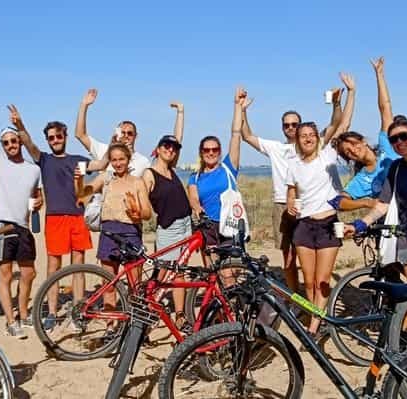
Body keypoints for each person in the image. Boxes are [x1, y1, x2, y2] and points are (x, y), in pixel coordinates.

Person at [7, 105, 108, 332]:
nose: (55, 140)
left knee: (78, 266)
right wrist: (20, 126)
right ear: (48, 140)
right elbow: (29, 144)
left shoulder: (77, 160)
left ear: (64, 137)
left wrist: (114, 141)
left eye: (58, 136)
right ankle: (52, 312)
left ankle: (78, 311)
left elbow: (102, 165)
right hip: (55, 219)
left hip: (77, 218)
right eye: (51, 138)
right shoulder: (44, 160)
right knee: (53, 267)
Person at [240, 81, 345, 292]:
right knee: (288, 258)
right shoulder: (276, 148)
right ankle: (293, 296)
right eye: (286, 125)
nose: (290, 128)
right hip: (282, 205)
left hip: (311, 207)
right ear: (282, 128)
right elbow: (247, 136)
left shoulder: (312, 144)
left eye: (294, 124)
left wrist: (337, 104)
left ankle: (312, 299)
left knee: (312, 258)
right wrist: (242, 110)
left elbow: (336, 125)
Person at [285, 73, 356, 337]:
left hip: (328, 224)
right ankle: (317, 316)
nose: (307, 138)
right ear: (297, 140)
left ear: (317, 137)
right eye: (302, 135)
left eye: (311, 134)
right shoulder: (293, 165)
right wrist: (290, 204)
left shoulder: (327, 156)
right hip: (304, 226)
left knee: (323, 281)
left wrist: (350, 94)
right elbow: (291, 193)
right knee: (310, 281)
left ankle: (314, 325)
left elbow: (342, 123)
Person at [0, 75, 43, 338]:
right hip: (1, 224)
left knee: (29, 272)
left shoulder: (33, 169)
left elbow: (36, 197)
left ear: (20, 142)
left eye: (14, 141)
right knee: (5, 274)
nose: (11, 145)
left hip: (23, 226)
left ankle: (24, 314)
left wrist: (38, 203)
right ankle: (11, 320)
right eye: (6, 143)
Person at [345, 115, 407, 281]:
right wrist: (359, 224)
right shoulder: (396, 169)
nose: (400, 142)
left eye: (404, 136)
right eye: (394, 139)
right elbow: (382, 204)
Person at [76, 143, 152, 338]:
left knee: (136, 285)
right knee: (108, 283)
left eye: (121, 159)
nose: (118, 163)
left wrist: (137, 211)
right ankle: (110, 325)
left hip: (130, 232)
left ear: (129, 160)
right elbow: (83, 194)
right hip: (109, 232)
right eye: (114, 159)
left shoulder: (137, 182)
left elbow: (147, 213)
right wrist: (79, 180)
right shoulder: (106, 179)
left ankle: (136, 327)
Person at [142, 102, 190, 328]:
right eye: (166, 146)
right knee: (162, 275)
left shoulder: (171, 169)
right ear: (158, 149)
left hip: (186, 226)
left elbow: (178, 138)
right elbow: (143, 203)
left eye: (173, 148)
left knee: (179, 273)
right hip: (169, 230)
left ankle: (179, 315)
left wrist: (180, 112)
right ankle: (148, 315)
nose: (170, 149)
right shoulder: (149, 174)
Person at [330, 57, 400, 211]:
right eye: (348, 152)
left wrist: (380, 75)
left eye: (353, 144)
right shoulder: (361, 180)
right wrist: (366, 203)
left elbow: (385, 109)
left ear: (362, 141)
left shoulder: (386, 145)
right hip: (389, 223)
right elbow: (338, 203)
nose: (353, 151)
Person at [188, 88, 245, 256]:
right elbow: (193, 198)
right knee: (211, 275)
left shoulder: (229, 168)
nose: (211, 153)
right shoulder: (195, 177)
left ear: (219, 152)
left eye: (214, 149)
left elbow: (235, 135)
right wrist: (198, 209)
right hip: (208, 226)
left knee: (228, 274)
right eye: (206, 150)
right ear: (201, 152)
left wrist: (238, 107)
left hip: (230, 224)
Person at [74, 88, 151, 177]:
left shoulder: (143, 161)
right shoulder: (104, 151)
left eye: (129, 133)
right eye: (123, 133)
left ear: (136, 136)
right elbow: (80, 135)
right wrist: (84, 105)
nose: (126, 136)